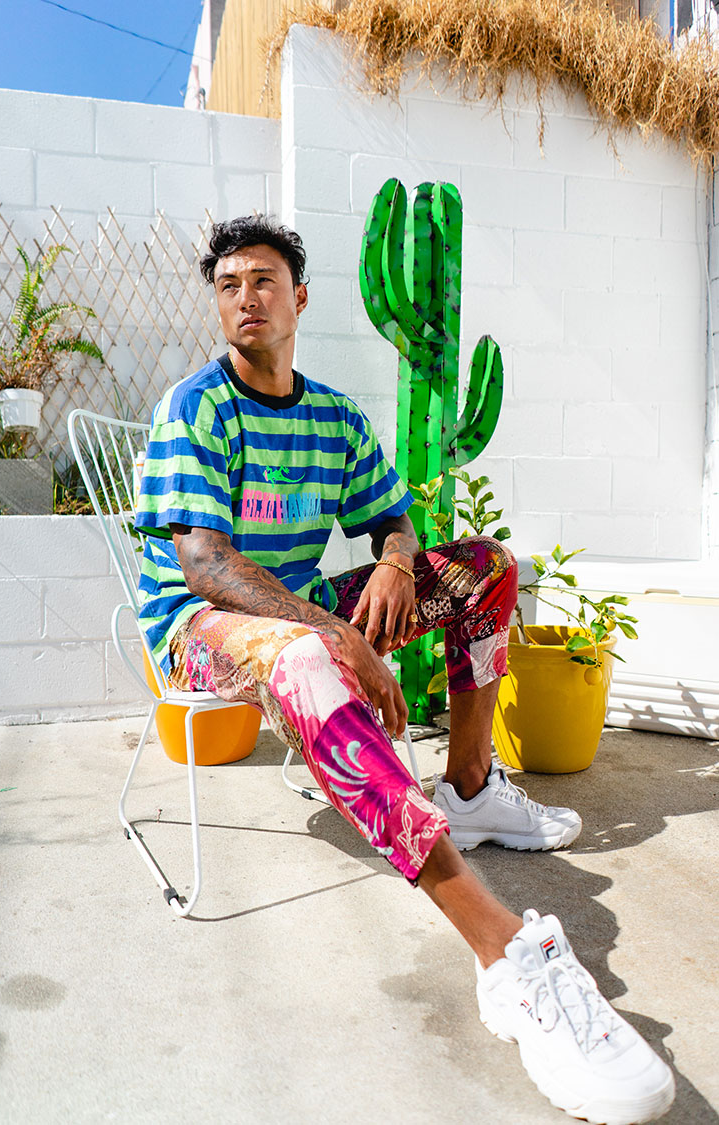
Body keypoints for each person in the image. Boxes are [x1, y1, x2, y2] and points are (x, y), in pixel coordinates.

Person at [134, 214, 674, 1123]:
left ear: (299, 298)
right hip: (200, 626)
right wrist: (339, 636)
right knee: (310, 654)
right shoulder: (197, 408)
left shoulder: (334, 415)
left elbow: (394, 518)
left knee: (485, 567)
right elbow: (206, 564)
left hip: (300, 608)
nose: (245, 298)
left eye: (263, 281)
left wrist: (391, 561)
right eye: (228, 285)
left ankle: (469, 784)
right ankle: (506, 954)